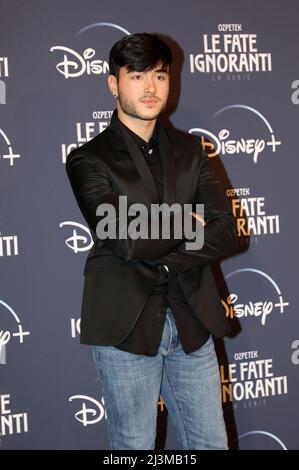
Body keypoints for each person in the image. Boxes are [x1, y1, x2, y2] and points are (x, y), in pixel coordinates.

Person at [65, 32, 238, 450]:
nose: (150, 88)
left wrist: (167, 259)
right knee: (134, 447)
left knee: (211, 443)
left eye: (159, 76)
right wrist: (189, 220)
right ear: (114, 83)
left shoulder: (192, 151)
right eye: (137, 75)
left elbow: (225, 230)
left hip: (191, 319)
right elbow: (122, 237)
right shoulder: (88, 158)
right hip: (126, 324)